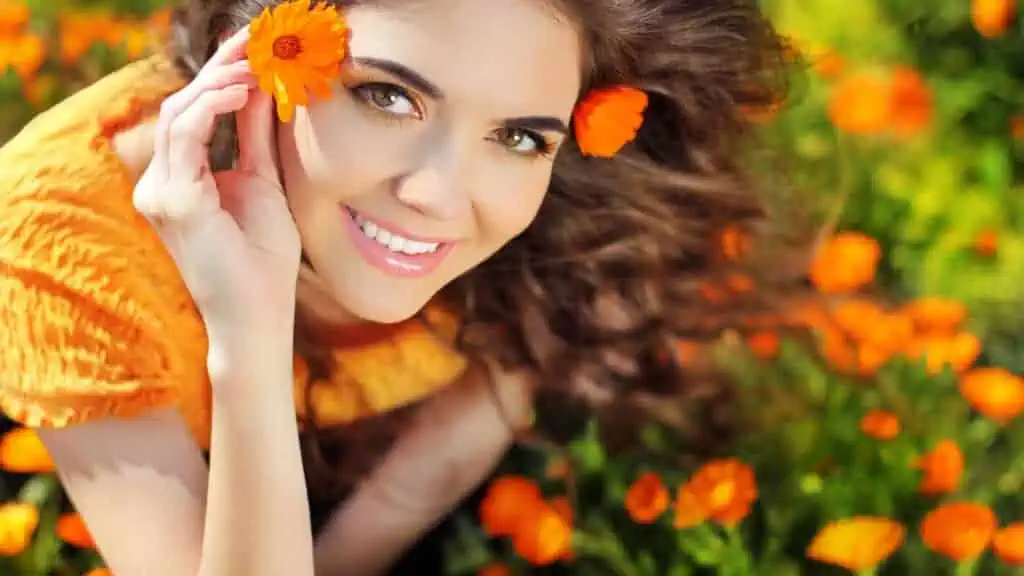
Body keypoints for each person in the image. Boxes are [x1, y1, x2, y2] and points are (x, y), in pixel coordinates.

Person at [0, 0, 789, 574]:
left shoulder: (573, 213)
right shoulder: (59, 238)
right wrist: (250, 333)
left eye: (517, 137)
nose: (441, 197)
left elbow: (433, 468)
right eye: (387, 96)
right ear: (260, 54)